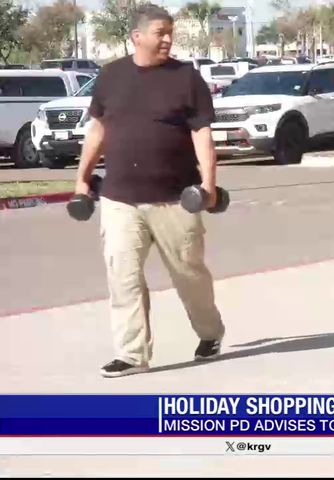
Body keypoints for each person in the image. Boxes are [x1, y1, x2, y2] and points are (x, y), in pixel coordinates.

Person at [74, 5, 225, 378]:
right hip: (119, 197)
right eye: (161, 33)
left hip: (176, 198)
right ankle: (132, 354)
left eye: (170, 32)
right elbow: (98, 130)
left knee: (189, 275)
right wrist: (82, 179)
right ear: (137, 36)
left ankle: (210, 332)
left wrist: (208, 185)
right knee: (122, 276)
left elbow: (201, 134)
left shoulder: (186, 77)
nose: (168, 39)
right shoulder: (111, 77)